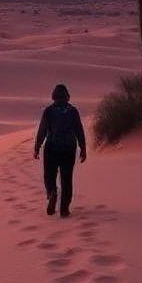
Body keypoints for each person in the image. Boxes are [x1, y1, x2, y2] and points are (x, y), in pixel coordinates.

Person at [33, 83, 86, 217]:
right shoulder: (73, 111)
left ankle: (52, 192)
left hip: (51, 147)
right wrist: (83, 148)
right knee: (66, 179)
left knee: (49, 175)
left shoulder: (49, 111)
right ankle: (64, 209)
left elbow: (43, 130)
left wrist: (37, 147)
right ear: (67, 97)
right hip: (69, 148)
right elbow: (79, 130)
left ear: (54, 97)